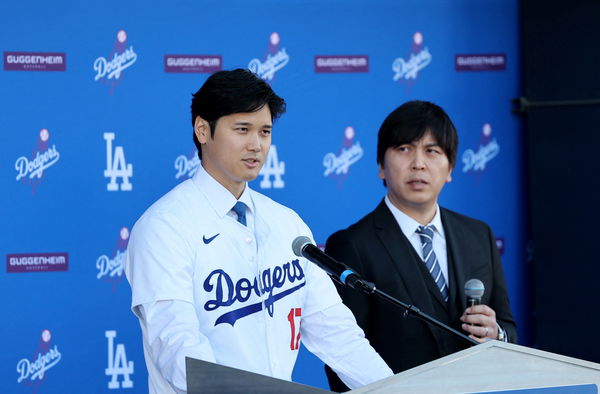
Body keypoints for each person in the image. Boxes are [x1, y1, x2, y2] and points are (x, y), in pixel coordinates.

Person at [124, 69, 393, 393]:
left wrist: (395, 390)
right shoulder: (163, 228)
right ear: (202, 130)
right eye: (242, 129)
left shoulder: (286, 223)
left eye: (265, 131)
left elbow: (337, 333)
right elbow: (179, 352)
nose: (256, 144)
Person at [324, 100, 517, 392]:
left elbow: (508, 328)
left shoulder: (479, 235)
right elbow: (341, 358)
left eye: (432, 151)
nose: (418, 163)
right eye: (404, 149)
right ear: (380, 166)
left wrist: (497, 335)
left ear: (450, 168)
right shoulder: (351, 245)